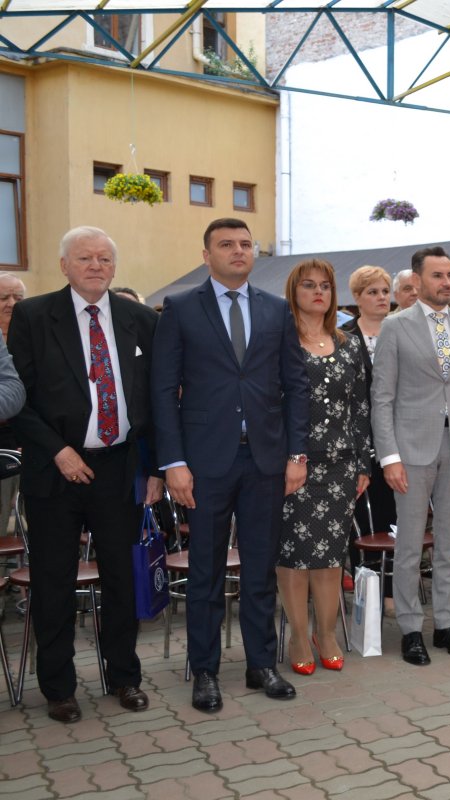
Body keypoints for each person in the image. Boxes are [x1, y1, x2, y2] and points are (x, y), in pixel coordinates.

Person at [153, 217, 310, 712]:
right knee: (206, 571)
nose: (239, 251)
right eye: (227, 245)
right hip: (204, 464)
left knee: (261, 567)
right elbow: (162, 391)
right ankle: (204, 671)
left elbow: (295, 386)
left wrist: (296, 455)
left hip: (265, 460)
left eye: (245, 244)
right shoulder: (179, 308)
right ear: (207, 255)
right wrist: (173, 462)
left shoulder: (276, 309)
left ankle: (261, 663)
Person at [9, 226, 155, 723]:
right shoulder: (32, 315)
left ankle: (125, 678)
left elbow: (154, 401)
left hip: (119, 467)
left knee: (121, 578)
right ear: (64, 266)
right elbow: (17, 397)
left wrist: (154, 468)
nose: (95, 265)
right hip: (56, 470)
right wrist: (57, 451)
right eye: (84, 258)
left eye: (103, 258)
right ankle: (59, 688)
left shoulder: (138, 318)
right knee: (54, 582)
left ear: (114, 268)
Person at [371, 246, 450, 666]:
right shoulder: (395, 327)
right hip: (411, 449)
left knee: (448, 543)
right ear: (418, 281)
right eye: (437, 275)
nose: (446, 282)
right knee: (408, 544)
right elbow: (381, 397)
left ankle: (445, 624)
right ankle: (409, 628)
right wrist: (389, 457)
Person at [277, 260, 370, 674]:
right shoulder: (279, 340)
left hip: (341, 464)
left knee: (331, 557)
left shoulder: (349, 342)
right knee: (295, 556)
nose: (319, 292)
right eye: (309, 285)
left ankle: (326, 633)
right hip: (293, 464)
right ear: (294, 291)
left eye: (326, 286)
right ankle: (299, 635)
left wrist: (363, 461)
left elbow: (361, 406)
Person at [341, 266, 397, 606]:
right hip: (356, 440)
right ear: (357, 298)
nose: (381, 298)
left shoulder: (404, 332)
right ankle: (367, 590)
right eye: (372, 292)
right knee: (360, 517)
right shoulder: (342, 337)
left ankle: (390, 590)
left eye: (385, 292)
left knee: (393, 516)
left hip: (397, 440)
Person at [0, 271, 26, 534]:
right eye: (3, 297)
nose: (11, 303)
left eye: (17, 297)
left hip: (31, 441)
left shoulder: (35, 338)